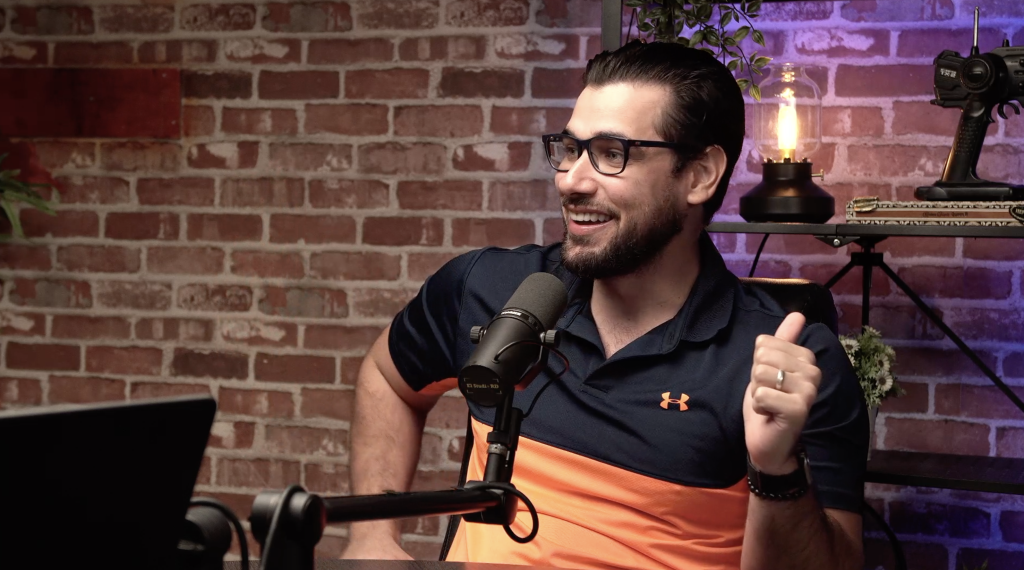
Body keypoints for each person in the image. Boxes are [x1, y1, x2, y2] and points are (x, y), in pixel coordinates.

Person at [341, 40, 868, 570]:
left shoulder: (785, 363)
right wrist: (371, 539)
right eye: (570, 149)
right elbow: (388, 379)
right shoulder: (487, 286)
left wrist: (776, 471)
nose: (571, 180)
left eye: (612, 153)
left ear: (699, 175)